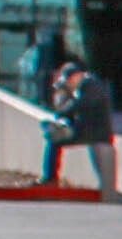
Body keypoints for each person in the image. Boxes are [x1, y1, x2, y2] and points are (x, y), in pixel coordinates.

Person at [40, 51, 114, 199]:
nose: (68, 84)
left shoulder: (91, 85)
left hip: (96, 133)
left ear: (76, 76)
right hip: (88, 131)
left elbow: (80, 105)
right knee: (54, 140)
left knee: (55, 142)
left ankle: (50, 178)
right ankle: (50, 177)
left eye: (69, 80)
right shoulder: (82, 87)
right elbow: (71, 110)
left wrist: (63, 111)